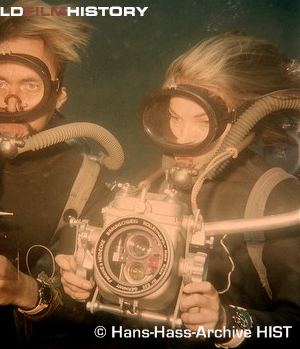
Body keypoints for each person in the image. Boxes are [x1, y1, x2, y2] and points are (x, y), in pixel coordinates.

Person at [57, 31, 300, 348]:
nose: (182, 138)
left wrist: (227, 322)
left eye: (202, 121)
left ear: (242, 119)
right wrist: (90, 284)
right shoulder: (151, 181)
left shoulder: (276, 196)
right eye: (174, 117)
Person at [0, 0, 124, 348]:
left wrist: (25, 290)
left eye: (30, 86)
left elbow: (91, 311)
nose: (11, 106)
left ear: (58, 95)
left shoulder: (84, 180)